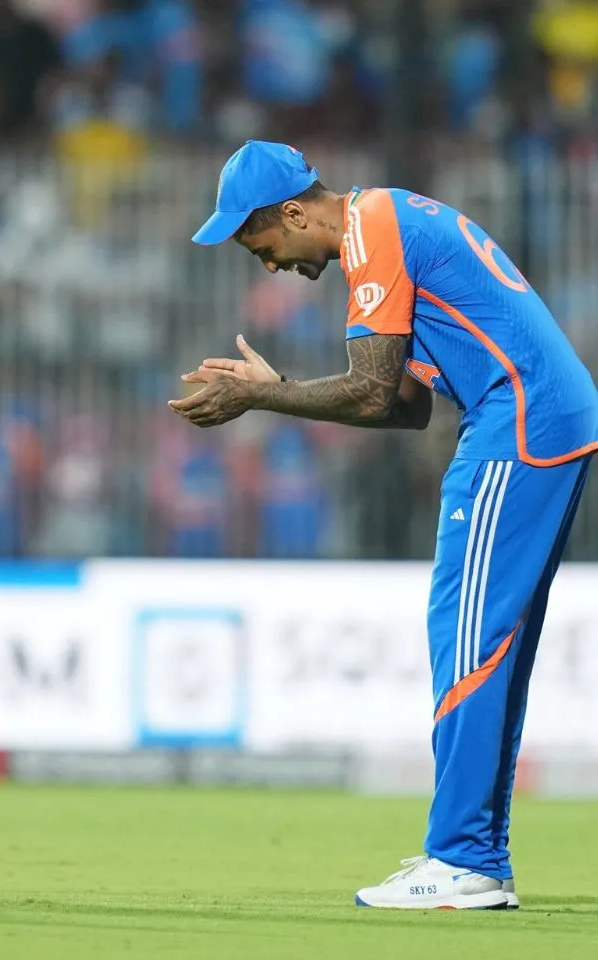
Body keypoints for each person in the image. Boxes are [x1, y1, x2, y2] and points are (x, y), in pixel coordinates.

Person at [174, 140, 598, 910]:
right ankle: (477, 856)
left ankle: (464, 859)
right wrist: (278, 388)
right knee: (486, 644)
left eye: (259, 244)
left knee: (468, 639)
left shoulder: (373, 227)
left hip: (518, 423)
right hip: (535, 418)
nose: (267, 265)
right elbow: (406, 406)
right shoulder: (388, 223)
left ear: (293, 212)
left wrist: (262, 396)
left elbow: (370, 394)